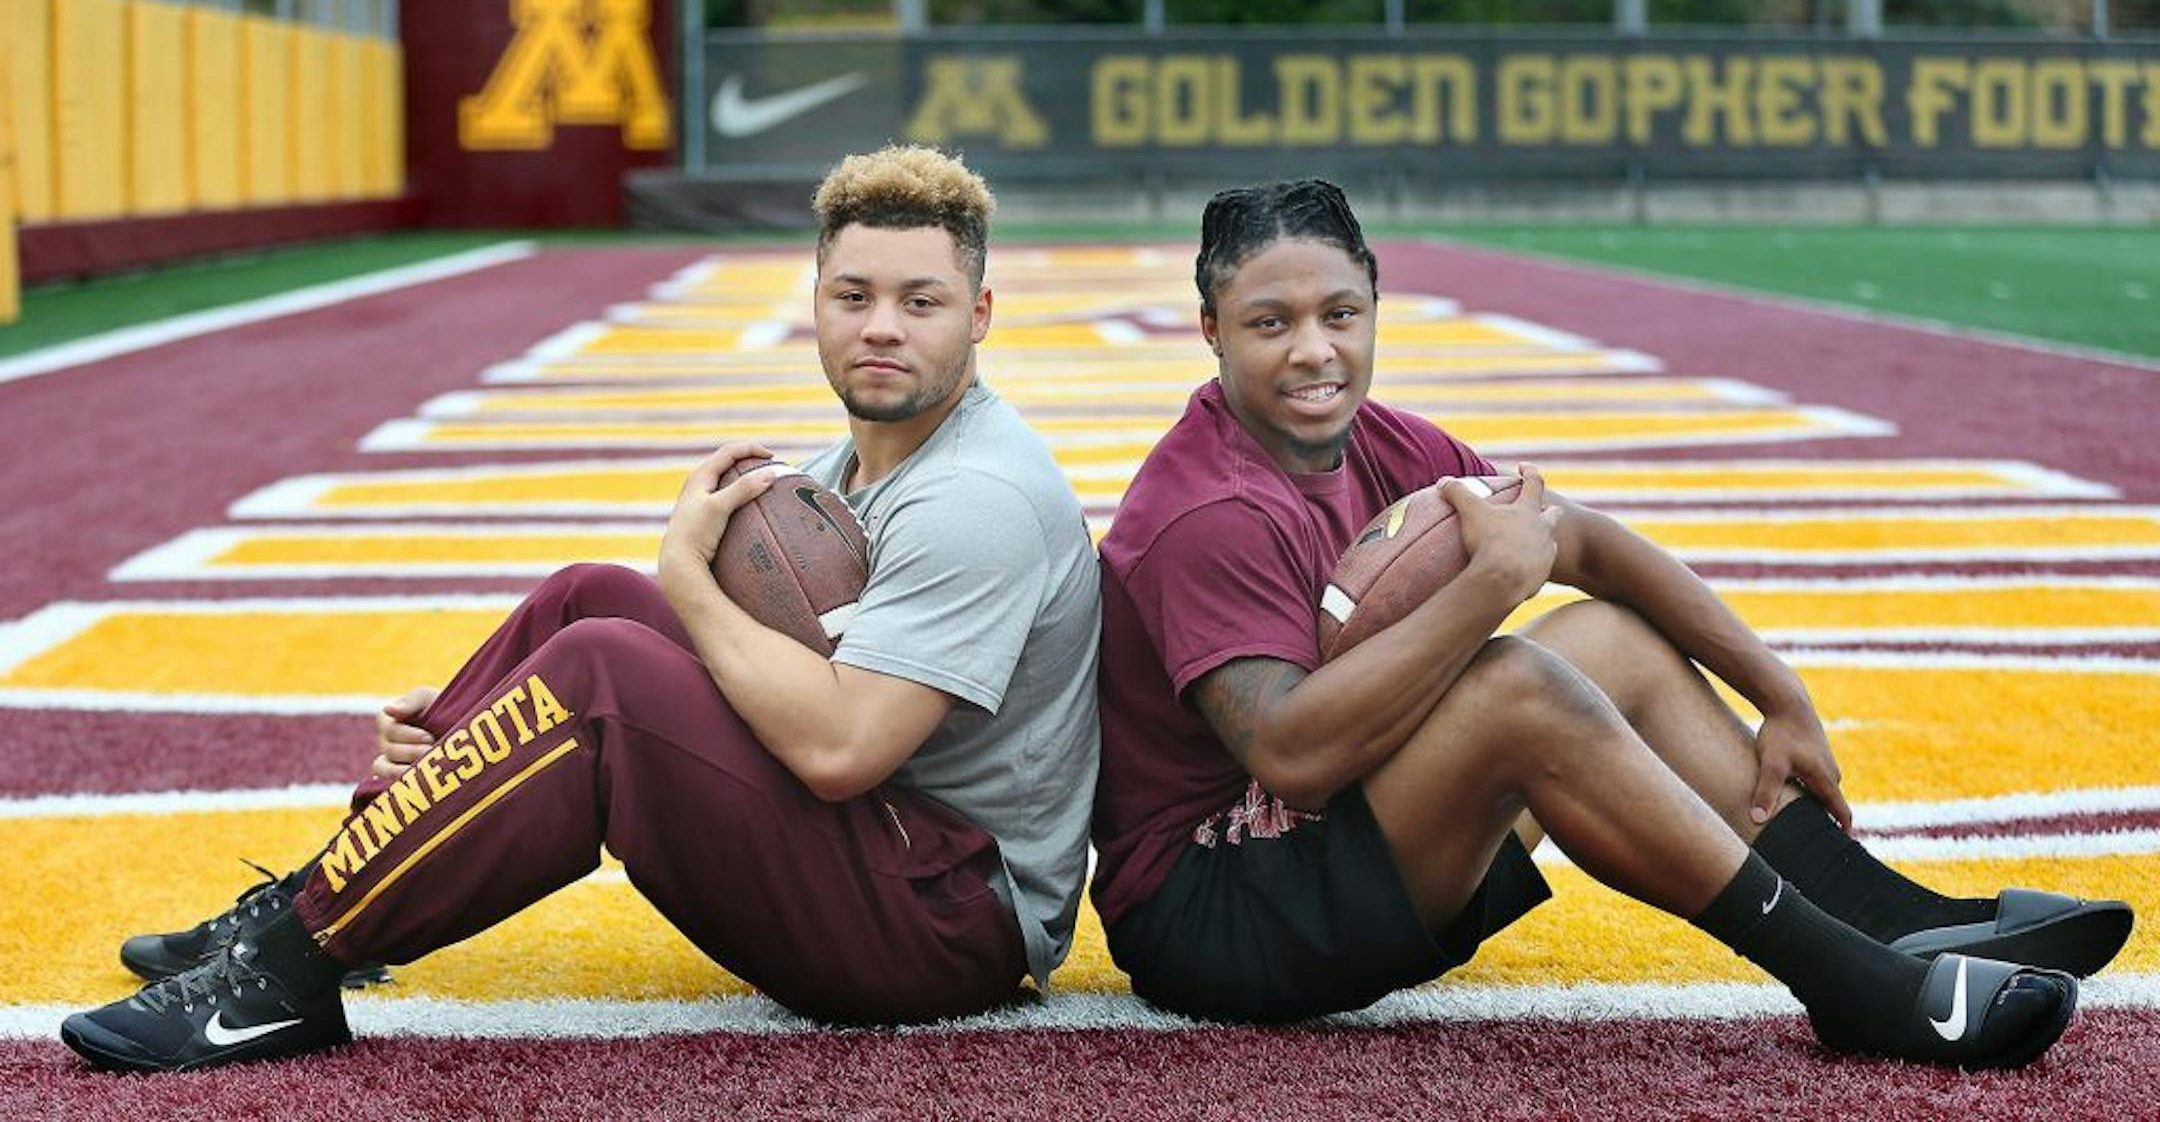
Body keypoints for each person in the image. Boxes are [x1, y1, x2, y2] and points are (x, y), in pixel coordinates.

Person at [63, 145, 1102, 1072]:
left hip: (946, 922)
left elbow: (840, 751)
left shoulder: (979, 498)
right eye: (853, 295)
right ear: (815, 299)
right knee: (588, 600)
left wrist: (688, 575)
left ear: (979, 315)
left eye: (920, 303)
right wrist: (470, 746)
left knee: (608, 671)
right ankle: (344, 889)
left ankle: (281, 976)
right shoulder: (858, 462)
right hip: (884, 849)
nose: (880, 328)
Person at [1088, 178, 2131, 1069]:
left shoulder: (1386, 445)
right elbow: (1292, 755)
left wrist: (1780, 690)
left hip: (1323, 858)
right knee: (1517, 688)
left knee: (1609, 639)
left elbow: (1585, 546)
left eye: (1340, 314)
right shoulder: (1207, 508)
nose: (1314, 351)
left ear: (1374, 307)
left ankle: (1886, 917)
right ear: (1212, 330)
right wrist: (1485, 591)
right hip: (1217, 915)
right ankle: (1852, 983)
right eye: (1271, 323)